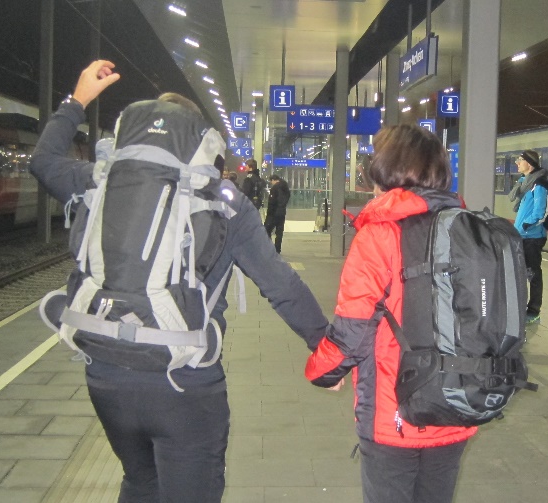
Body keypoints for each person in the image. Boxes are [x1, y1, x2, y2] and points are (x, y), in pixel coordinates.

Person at [30, 60, 328, 503]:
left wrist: (77, 100)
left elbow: (42, 162)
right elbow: (282, 286)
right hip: (184, 382)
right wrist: (328, 351)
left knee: (139, 480)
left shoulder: (99, 180)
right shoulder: (225, 202)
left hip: (106, 372)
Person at [304, 124, 476, 503]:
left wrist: (324, 371)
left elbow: (353, 325)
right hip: (459, 400)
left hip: (394, 407)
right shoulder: (469, 228)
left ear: (385, 169)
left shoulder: (380, 233)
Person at [508, 149, 548, 325]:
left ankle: (534, 310)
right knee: (520, 273)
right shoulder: (525, 183)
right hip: (521, 236)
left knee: (533, 273)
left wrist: (525, 225)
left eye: (520, 160)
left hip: (532, 237)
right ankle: (521, 308)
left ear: (529, 163)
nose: (517, 163)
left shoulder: (539, 186)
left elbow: (540, 213)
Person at [264, 174, 290, 253]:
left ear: (273, 180)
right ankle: (277, 249)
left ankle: (269, 248)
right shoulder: (285, 188)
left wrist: (269, 214)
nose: (271, 183)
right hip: (282, 212)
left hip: (274, 213)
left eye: (271, 181)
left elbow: (272, 202)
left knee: (267, 229)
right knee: (279, 231)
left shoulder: (274, 188)